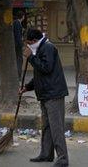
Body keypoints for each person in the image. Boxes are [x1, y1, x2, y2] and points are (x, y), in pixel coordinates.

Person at [20, 29, 69, 167]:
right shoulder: (40, 48)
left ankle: (63, 158)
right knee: (47, 126)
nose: (28, 46)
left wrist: (30, 57)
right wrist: (27, 87)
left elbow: (46, 68)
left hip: (54, 95)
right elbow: (39, 75)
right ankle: (46, 154)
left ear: (34, 41)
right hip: (45, 94)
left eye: (29, 43)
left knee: (56, 128)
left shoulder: (48, 47)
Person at [13, 11, 25, 80]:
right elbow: (18, 36)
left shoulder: (16, 23)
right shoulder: (17, 23)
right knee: (19, 60)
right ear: (23, 16)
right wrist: (21, 45)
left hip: (16, 44)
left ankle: (18, 74)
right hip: (17, 45)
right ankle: (18, 75)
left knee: (18, 59)